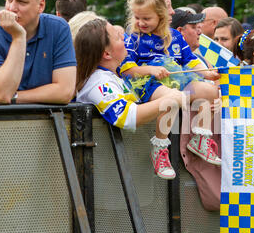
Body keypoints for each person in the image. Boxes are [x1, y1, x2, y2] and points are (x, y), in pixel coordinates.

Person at [120, 0, 221, 177]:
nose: (141, 23)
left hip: (176, 81)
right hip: (147, 84)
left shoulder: (175, 36)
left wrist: (208, 73)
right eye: (137, 17)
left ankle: (199, 140)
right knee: (172, 99)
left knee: (210, 91)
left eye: (146, 18)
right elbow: (126, 69)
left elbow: (190, 61)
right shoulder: (132, 36)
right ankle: (159, 150)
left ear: (161, 16)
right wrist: (149, 70)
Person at [75, 19, 186, 179]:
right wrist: (170, 99)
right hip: (110, 179)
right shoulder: (99, 82)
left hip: (128, 172)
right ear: (106, 54)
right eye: (119, 37)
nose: (125, 38)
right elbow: (126, 116)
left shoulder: (113, 75)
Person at [0, 0, 76, 104]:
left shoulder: (58, 28)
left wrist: (15, 97)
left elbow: (65, 92)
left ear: (40, 6)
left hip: (47, 121)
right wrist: (19, 37)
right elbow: (2, 93)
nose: (11, 8)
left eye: (21, 2)